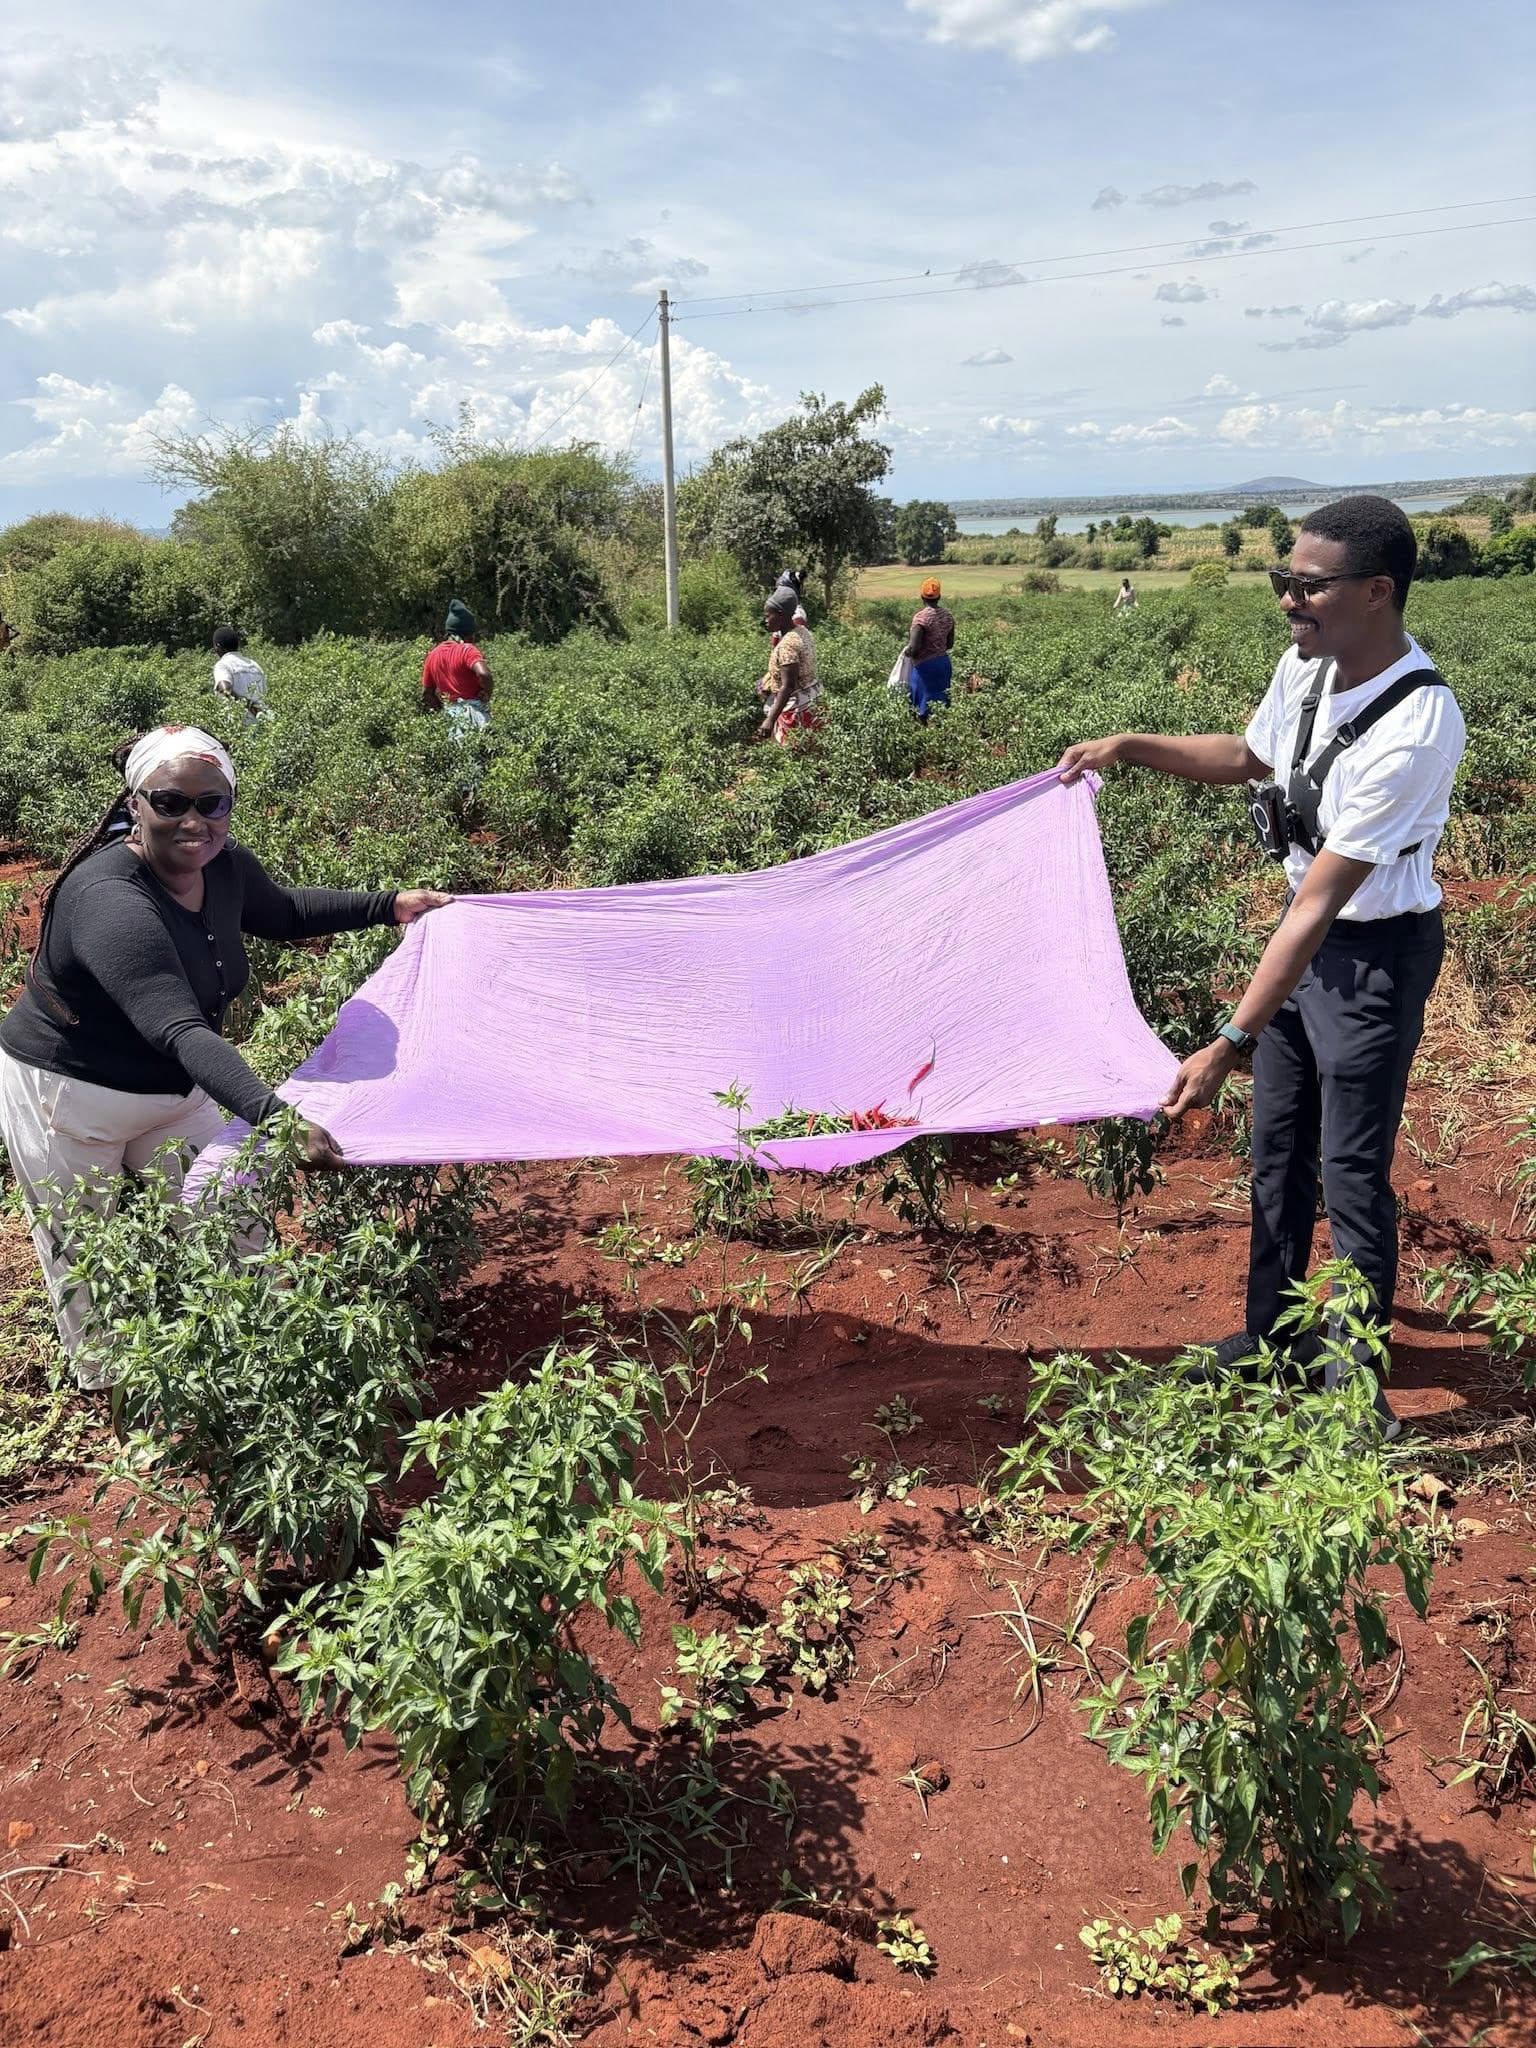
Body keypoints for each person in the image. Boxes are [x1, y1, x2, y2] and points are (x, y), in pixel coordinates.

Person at [1058, 497, 1466, 1434]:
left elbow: (1322, 902)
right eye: (1284, 580)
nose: (1288, 599)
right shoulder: (1307, 667)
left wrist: (1228, 1041)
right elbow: (1249, 756)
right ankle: (1273, 1338)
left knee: (1352, 1168)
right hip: (1307, 942)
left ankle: (1358, 1386)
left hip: (1373, 959)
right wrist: (1131, 745)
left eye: (1307, 585)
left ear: (1376, 592)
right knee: (1278, 1151)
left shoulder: (1417, 723)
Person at [0, 724, 451, 1386]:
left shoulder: (224, 865)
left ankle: (258, 1353)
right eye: (170, 802)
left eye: (212, 803)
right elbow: (179, 1027)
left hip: (173, 1088)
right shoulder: (109, 900)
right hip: (72, 1098)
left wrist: (391, 906)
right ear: (135, 804)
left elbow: (287, 912)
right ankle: (125, 1397)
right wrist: (278, 1120)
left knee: (227, 1215)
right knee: (90, 1255)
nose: (194, 820)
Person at [758, 586, 821, 744]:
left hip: (796, 711)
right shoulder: (802, 631)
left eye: (768, 616)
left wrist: (770, 720)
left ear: (780, 615)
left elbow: (788, 685)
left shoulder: (787, 644)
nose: (765, 620)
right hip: (813, 701)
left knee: (795, 758)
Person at [421, 599, 494, 736]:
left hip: (451, 719)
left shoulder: (433, 655)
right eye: (472, 634)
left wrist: (442, 709)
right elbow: (484, 675)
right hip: (475, 716)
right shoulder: (467, 650)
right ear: (467, 633)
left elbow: (427, 694)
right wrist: (487, 693)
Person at [905, 577, 956, 721]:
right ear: (939, 596)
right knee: (941, 705)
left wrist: (907, 651)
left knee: (921, 707)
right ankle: (941, 736)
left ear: (922, 596)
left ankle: (923, 738)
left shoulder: (920, 618)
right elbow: (950, 644)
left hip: (925, 667)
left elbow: (914, 648)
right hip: (943, 664)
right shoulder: (948, 616)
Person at [211, 626, 268, 722]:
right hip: (261, 723)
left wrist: (250, 706)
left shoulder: (223, 665)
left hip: (239, 726)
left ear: (218, 646)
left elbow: (224, 690)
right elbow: (264, 695)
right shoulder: (255, 665)